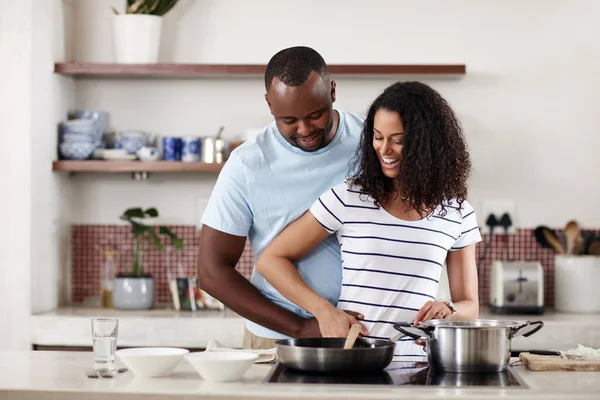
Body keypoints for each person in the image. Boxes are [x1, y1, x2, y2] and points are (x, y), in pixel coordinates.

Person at [257, 81, 481, 359]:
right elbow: (270, 260)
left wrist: (448, 309)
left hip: (418, 367)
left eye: (398, 140)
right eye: (377, 137)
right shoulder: (349, 197)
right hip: (354, 359)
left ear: (427, 145)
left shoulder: (457, 213)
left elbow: (470, 304)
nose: (384, 150)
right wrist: (323, 311)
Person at [197, 46, 365, 349]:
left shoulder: (373, 144)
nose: (304, 129)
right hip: (278, 339)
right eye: (288, 119)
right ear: (268, 103)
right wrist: (301, 327)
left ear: (333, 91)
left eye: (315, 114)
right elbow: (211, 272)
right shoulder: (247, 164)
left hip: (364, 333)